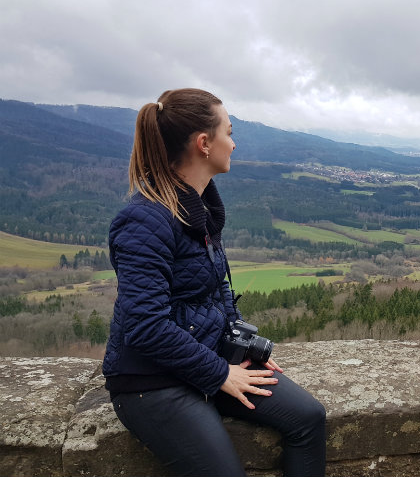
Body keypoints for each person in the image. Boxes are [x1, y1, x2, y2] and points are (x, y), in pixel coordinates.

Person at [103, 88, 326, 477]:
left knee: (309, 417)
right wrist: (221, 374)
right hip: (151, 381)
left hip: (207, 356)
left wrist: (242, 344)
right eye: (229, 131)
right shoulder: (145, 220)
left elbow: (214, 287)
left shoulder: (197, 205)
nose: (234, 144)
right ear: (204, 143)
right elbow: (145, 327)